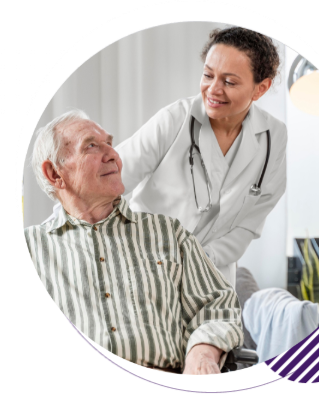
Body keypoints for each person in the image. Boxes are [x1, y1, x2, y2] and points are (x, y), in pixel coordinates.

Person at [43, 27, 287, 288]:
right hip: (145, 265)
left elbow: (248, 225)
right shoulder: (177, 119)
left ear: (260, 88)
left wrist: (199, 259)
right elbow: (107, 178)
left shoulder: (273, 138)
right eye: (207, 75)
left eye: (229, 82)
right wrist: (53, 236)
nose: (213, 90)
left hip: (212, 277)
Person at [24, 111, 244, 375]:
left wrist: (202, 354)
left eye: (110, 144)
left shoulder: (168, 233)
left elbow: (218, 305)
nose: (114, 155)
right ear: (54, 173)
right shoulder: (33, 249)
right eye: (91, 145)